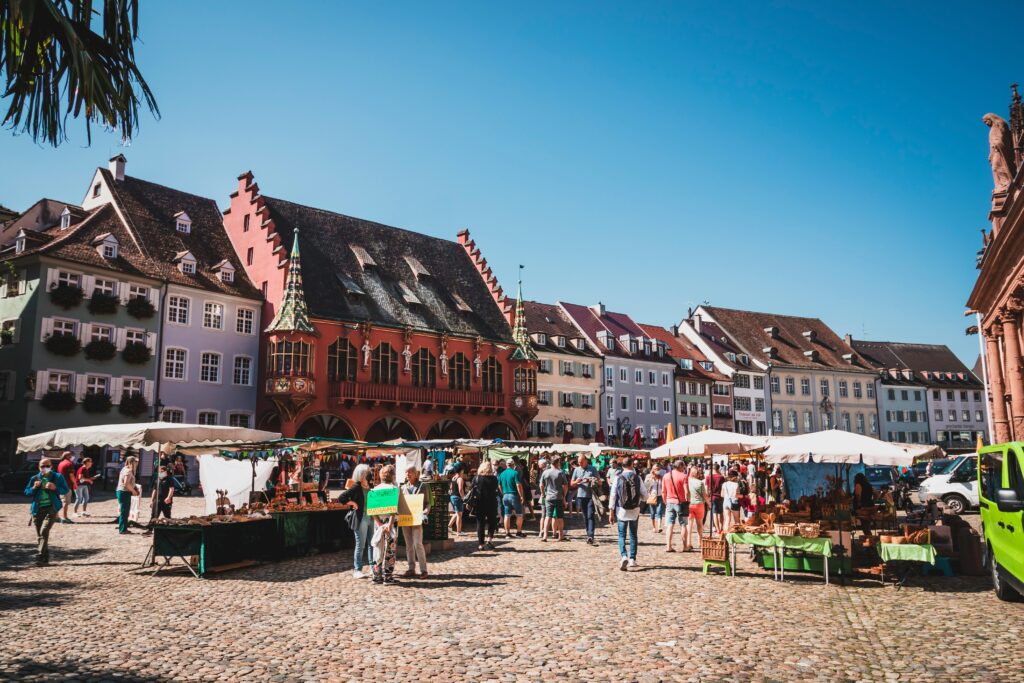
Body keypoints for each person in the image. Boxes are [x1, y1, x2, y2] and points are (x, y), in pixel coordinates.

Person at [25, 457, 69, 566]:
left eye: (47, 466)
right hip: (37, 508)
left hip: (52, 507)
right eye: (42, 466)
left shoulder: (57, 476)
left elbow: (65, 489)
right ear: (38, 467)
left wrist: (55, 487)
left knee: (44, 531)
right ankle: (45, 558)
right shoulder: (34, 478)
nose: (45, 468)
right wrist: (34, 488)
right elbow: (26, 492)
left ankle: (40, 556)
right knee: (40, 535)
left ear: (51, 466)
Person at [609, 457, 646, 570]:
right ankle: (632, 559)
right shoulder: (637, 478)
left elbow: (613, 495)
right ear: (632, 465)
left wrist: (611, 511)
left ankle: (624, 555)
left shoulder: (618, 478)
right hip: (634, 510)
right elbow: (645, 495)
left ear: (622, 466)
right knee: (633, 535)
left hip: (621, 510)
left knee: (621, 535)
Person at [338, 463, 373, 578]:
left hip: (372, 518)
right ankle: (357, 569)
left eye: (366, 473)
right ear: (359, 475)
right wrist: (352, 502)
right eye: (363, 473)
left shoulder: (371, 485)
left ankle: (373, 568)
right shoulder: (356, 486)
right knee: (360, 545)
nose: (365, 475)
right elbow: (341, 498)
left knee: (373, 544)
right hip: (360, 518)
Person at [369, 464, 400, 585]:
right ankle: (388, 576)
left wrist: (379, 523)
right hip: (390, 523)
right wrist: (390, 524)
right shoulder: (393, 490)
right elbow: (393, 509)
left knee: (378, 547)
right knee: (389, 549)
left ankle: (376, 575)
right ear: (392, 476)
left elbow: (372, 510)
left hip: (379, 523)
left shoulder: (374, 490)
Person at [400, 465, 432, 578]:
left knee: (418, 543)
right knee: (408, 545)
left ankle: (424, 570)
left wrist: (425, 512)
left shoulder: (422, 486)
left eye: (410, 472)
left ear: (415, 473)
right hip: (406, 519)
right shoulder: (403, 488)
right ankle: (411, 568)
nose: (408, 474)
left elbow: (428, 503)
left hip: (417, 519)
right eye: (406, 472)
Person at [570, 454, 599, 544]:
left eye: (581, 462)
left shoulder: (592, 468)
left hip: (590, 496)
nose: (580, 464)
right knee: (585, 516)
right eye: (579, 462)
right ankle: (588, 533)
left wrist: (591, 480)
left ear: (586, 461)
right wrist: (576, 482)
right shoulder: (576, 470)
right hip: (580, 496)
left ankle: (591, 535)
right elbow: (571, 484)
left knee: (590, 515)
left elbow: (599, 481)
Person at [662, 459, 690, 552]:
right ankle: (685, 547)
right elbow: (686, 492)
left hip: (669, 502)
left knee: (670, 524)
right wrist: (688, 501)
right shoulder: (684, 476)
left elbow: (663, 491)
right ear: (680, 466)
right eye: (683, 467)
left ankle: (668, 546)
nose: (684, 468)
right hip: (681, 503)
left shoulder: (666, 476)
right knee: (683, 524)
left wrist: (665, 501)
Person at [539, 456, 569, 542]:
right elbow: (566, 485)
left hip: (548, 497)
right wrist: (564, 496)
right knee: (560, 517)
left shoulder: (545, 472)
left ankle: (545, 536)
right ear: (558, 463)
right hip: (558, 497)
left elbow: (541, 485)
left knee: (548, 516)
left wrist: (543, 494)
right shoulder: (560, 473)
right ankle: (561, 535)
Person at [472, 460, 500, 550]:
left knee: (480, 523)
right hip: (491, 502)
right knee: (492, 522)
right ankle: (489, 539)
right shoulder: (494, 478)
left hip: (479, 503)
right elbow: (496, 488)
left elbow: (472, 488)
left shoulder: (476, 478)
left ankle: (481, 544)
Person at [498, 458, 525, 538]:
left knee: (507, 515)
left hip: (506, 495)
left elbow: (499, 486)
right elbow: (518, 485)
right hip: (514, 495)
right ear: (513, 465)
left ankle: (507, 533)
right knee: (519, 515)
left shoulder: (502, 474)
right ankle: (519, 532)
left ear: (506, 465)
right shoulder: (515, 473)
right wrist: (521, 496)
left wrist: (503, 494)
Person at [116, 456, 140, 534]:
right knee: (124, 512)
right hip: (124, 492)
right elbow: (126, 483)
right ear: (132, 462)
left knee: (124, 511)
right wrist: (133, 491)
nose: (137, 463)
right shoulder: (128, 471)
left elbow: (129, 482)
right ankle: (122, 530)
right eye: (135, 462)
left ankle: (123, 527)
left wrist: (134, 486)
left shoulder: (124, 469)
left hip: (122, 492)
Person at [686, 466, 707, 551]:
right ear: (697, 474)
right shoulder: (700, 482)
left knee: (689, 524)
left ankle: (688, 542)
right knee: (699, 524)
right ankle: (700, 542)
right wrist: (708, 503)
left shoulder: (687, 481)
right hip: (699, 504)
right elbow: (704, 495)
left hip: (689, 504)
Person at [55, 452, 77, 524]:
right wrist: (75, 483)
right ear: (68, 456)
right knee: (65, 502)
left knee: (59, 501)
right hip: (67, 485)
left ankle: (56, 516)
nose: (72, 456)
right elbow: (71, 475)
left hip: (59, 484)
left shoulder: (60, 463)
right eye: (71, 455)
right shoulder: (69, 464)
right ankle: (64, 518)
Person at [447, 464, 466, 537]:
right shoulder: (460, 479)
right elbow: (460, 489)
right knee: (459, 515)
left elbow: (451, 488)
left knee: (457, 513)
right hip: (458, 497)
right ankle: (459, 531)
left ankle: (449, 526)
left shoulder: (453, 478)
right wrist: (463, 497)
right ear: (461, 471)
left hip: (452, 497)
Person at [705, 463, 725, 533]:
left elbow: (707, 489)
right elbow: (723, 487)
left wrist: (707, 498)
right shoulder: (721, 477)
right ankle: (722, 527)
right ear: (718, 468)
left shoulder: (708, 477)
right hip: (720, 497)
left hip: (712, 497)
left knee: (714, 513)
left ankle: (718, 529)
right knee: (721, 513)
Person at [644, 466, 664, 533]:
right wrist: (651, 479)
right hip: (652, 496)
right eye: (656, 469)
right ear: (653, 470)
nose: (658, 470)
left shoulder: (661, 477)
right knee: (652, 512)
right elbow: (646, 486)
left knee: (659, 511)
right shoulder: (648, 476)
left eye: (658, 469)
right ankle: (653, 527)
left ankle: (659, 526)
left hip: (660, 496)